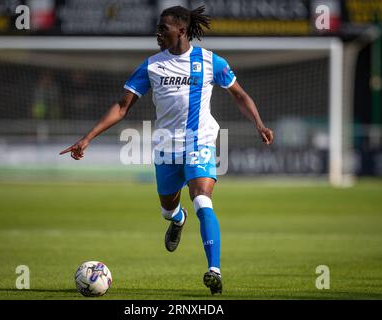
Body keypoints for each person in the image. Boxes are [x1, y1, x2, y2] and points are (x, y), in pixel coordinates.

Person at [60, 5, 274, 295]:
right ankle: (177, 219)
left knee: (202, 200)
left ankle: (214, 270)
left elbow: (240, 95)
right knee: (168, 209)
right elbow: (122, 106)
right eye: (158, 28)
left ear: (181, 30)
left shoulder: (211, 61)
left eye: (164, 29)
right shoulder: (151, 66)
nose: (158, 33)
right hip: (166, 149)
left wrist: (259, 124)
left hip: (200, 143)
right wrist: (87, 138)